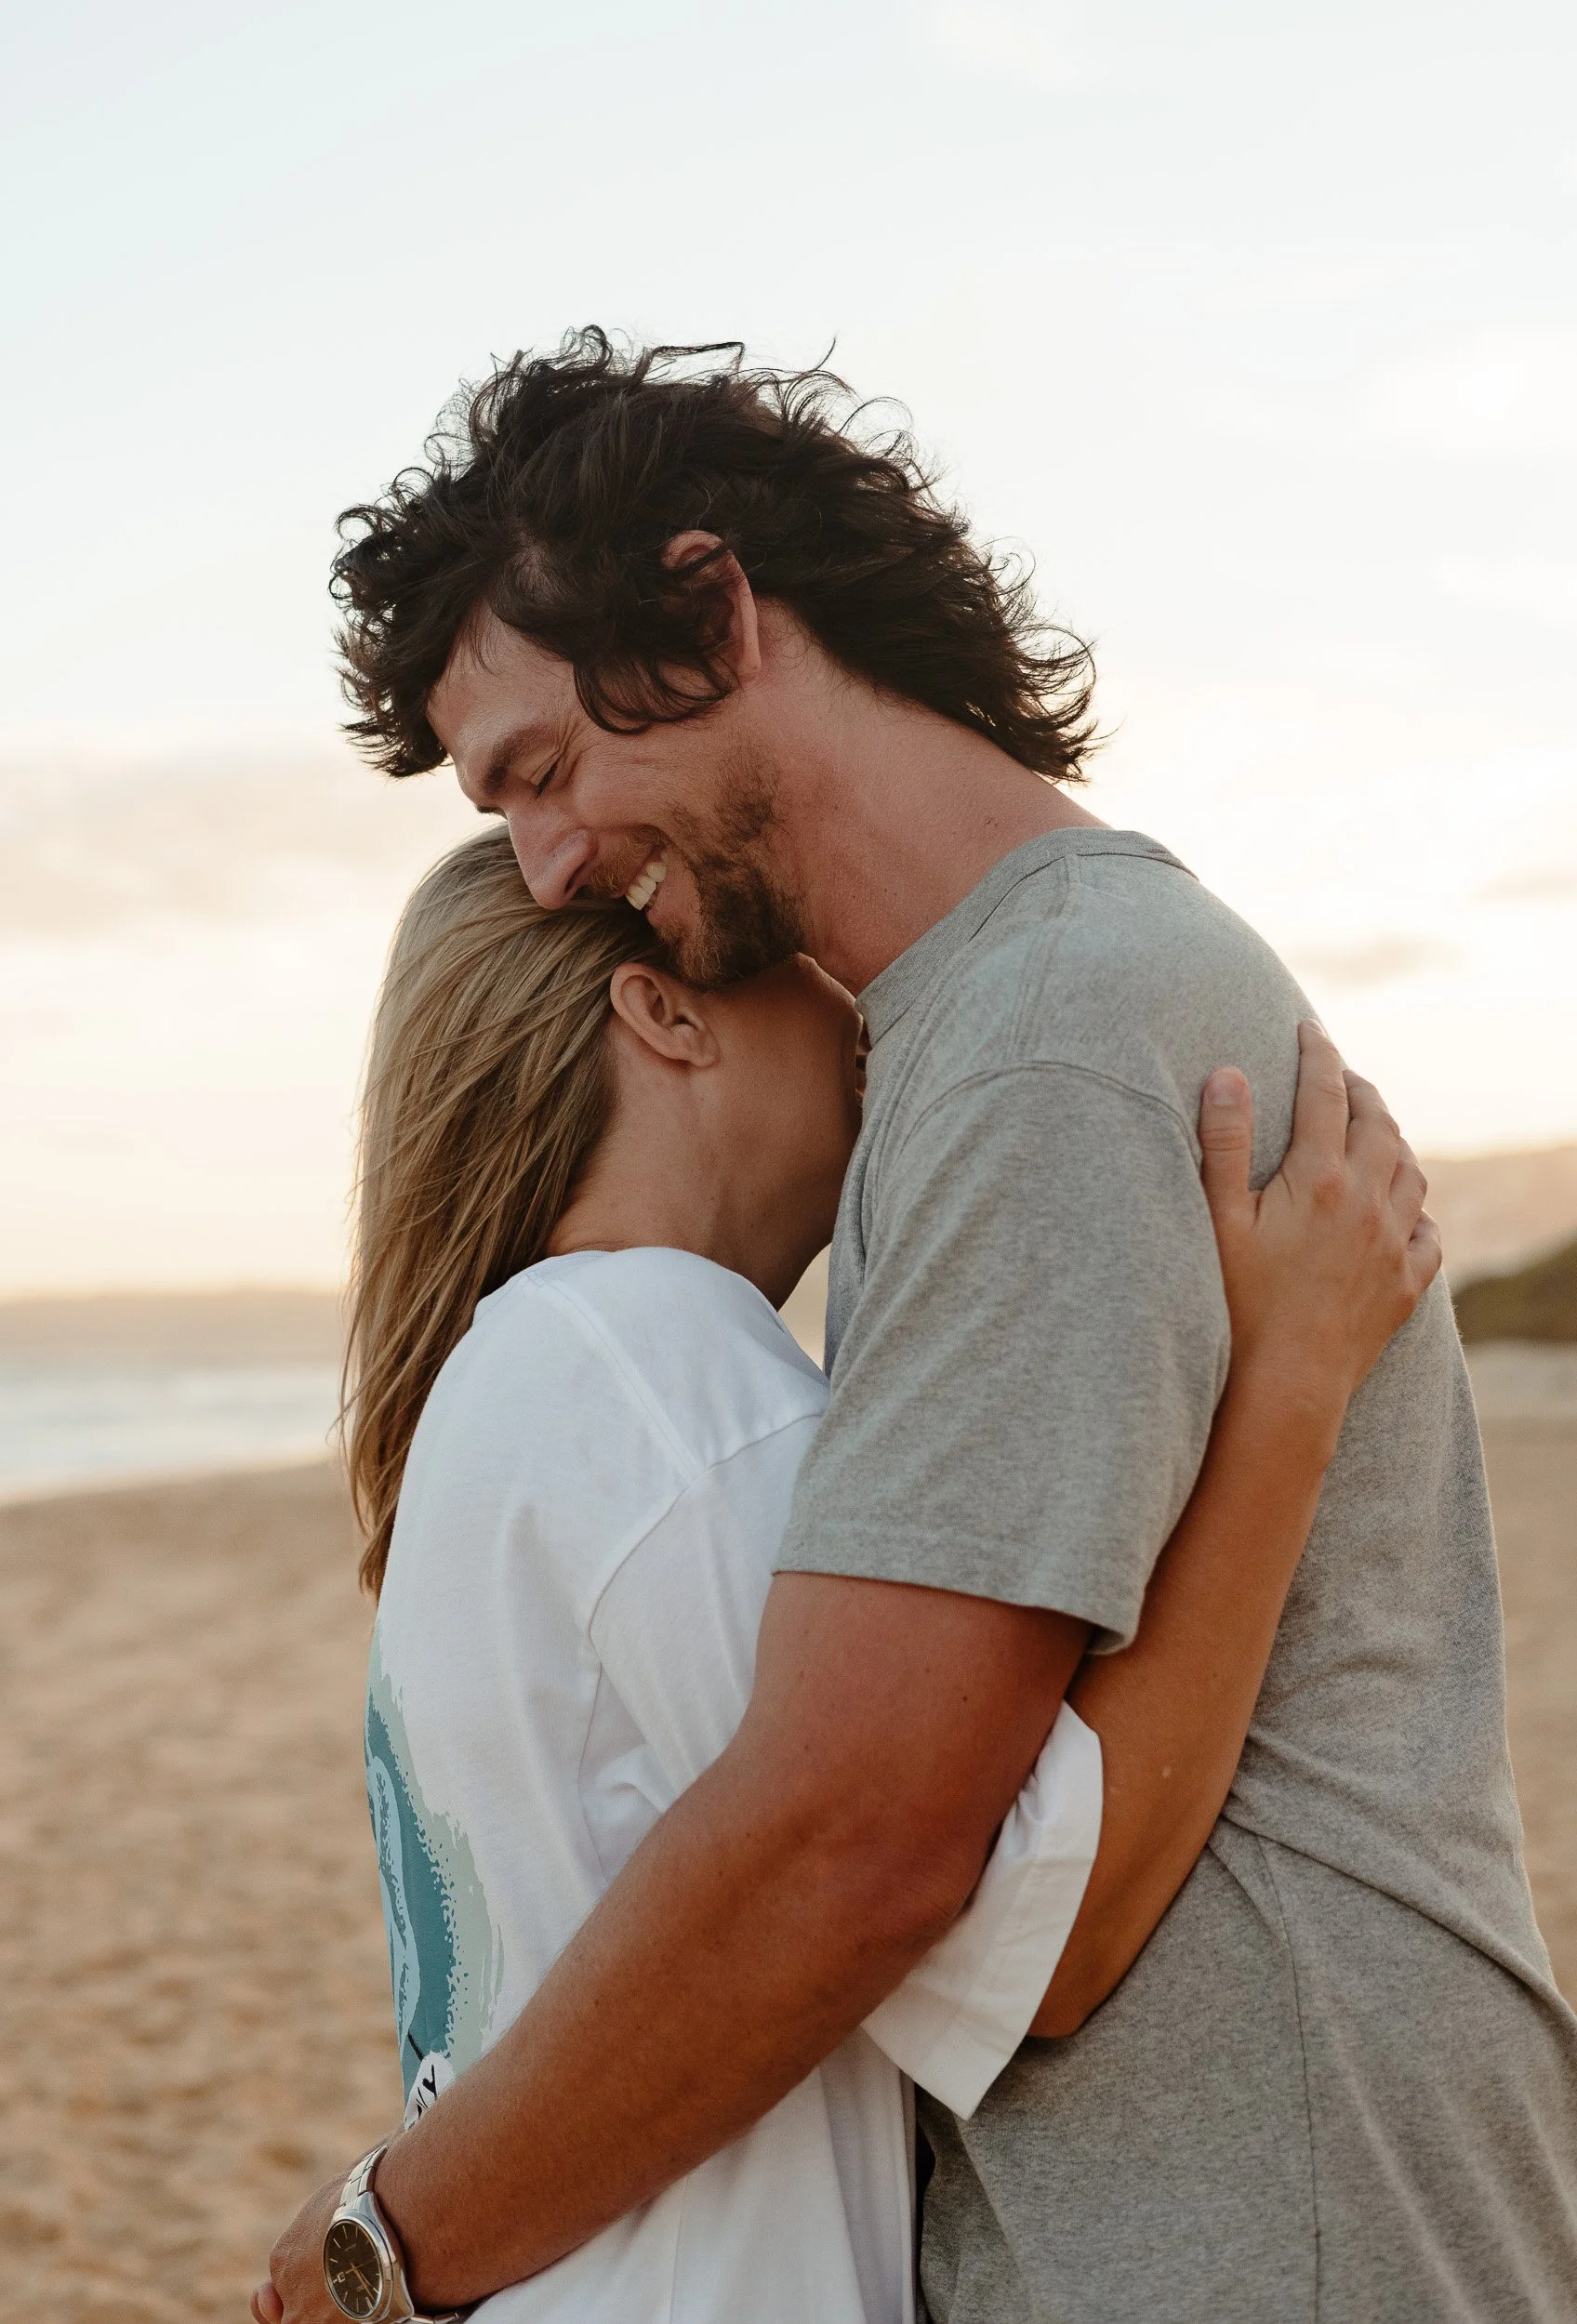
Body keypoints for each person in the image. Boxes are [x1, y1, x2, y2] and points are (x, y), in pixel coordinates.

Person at [265, 333, 1577, 2324]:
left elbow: (869, 1854)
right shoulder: (967, 1044)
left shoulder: (1039, 1042)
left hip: (1261, 2215)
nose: (539, 863)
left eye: (541, 771)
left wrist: (392, 2231)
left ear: (710, 613)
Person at [272, 823, 1429, 2324]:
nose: (862, 1004)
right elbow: (1027, 1947)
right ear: (665, 1013)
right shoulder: (667, 1369)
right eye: (802, 969)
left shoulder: (515, 1390)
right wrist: (1295, 1386)